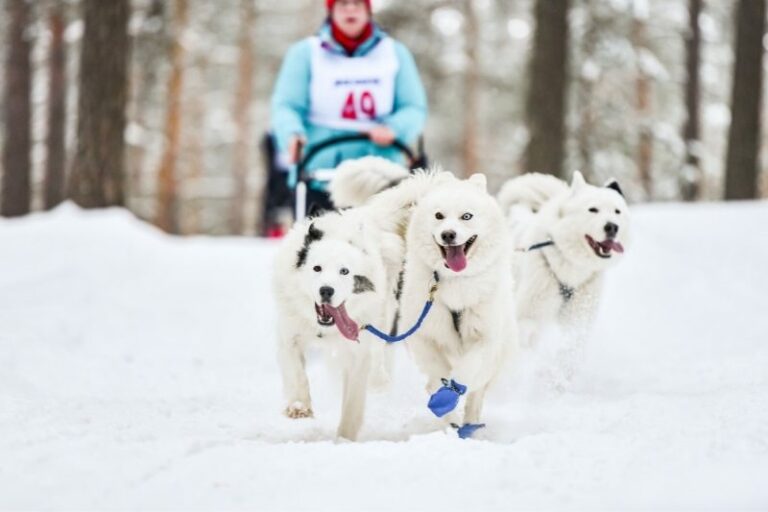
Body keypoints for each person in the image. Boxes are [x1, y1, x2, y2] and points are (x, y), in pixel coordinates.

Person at [270, 0, 427, 213]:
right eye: (343, 3)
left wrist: (394, 128)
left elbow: (413, 107)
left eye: (357, 3)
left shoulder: (395, 53)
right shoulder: (305, 53)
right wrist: (291, 134)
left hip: (380, 171)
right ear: (331, 9)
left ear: (368, 9)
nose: (350, 9)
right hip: (319, 170)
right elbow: (287, 106)